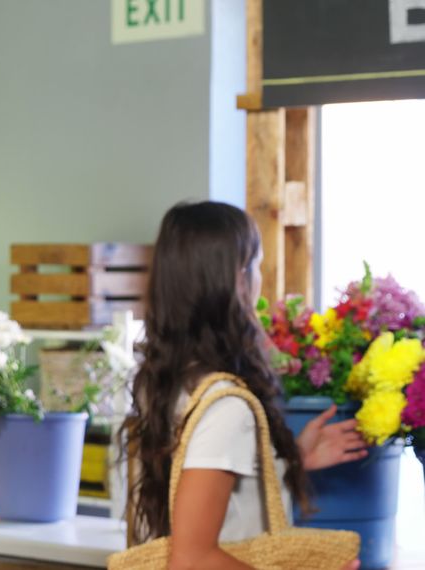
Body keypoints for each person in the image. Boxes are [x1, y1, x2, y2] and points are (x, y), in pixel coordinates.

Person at [122, 201, 366, 570]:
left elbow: (200, 497)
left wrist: (289, 460)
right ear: (236, 280)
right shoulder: (225, 406)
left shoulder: (167, 381)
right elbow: (191, 560)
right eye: (256, 265)